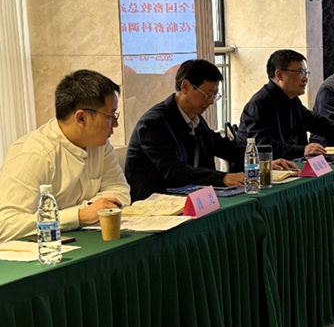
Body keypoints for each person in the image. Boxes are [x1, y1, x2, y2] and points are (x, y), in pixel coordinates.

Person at [125, 59, 295, 201]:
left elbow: (223, 146)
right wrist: (223, 178)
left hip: (190, 196)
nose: (211, 101)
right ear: (185, 87)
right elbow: (174, 171)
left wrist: (261, 163)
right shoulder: (153, 124)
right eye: (208, 94)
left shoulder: (194, 118)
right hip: (157, 203)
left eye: (215, 95)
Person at [0, 70, 131, 243]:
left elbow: (120, 190)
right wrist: (79, 215)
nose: (116, 123)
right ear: (81, 118)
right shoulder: (34, 155)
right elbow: (6, 225)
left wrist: (90, 209)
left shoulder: (100, 144)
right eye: (110, 116)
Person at [236, 49, 334, 160]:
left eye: (306, 73)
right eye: (300, 73)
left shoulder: (292, 100)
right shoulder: (260, 103)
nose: (305, 78)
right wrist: (302, 150)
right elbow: (263, 147)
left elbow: (318, 123)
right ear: (279, 74)